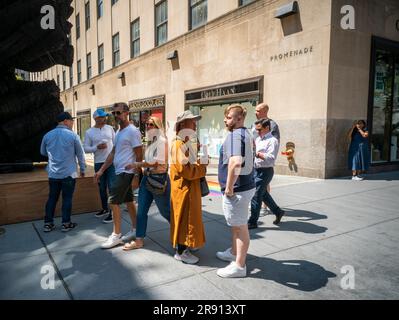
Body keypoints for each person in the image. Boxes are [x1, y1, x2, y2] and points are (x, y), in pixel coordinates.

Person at [94, 103, 143, 249]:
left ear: (127, 113)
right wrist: (101, 170)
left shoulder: (132, 131)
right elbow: (113, 153)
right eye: (114, 113)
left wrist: (136, 173)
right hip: (119, 170)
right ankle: (135, 229)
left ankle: (116, 234)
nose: (116, 116)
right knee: (128, 200)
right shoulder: (119, 131)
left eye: (119, 113)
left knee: (113, 201)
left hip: (126, 172)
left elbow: (139, 153)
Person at [216, 104, 256, 278]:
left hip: (238, 189)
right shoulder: (245, 132)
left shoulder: (235, 135)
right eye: (226, 116)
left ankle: (239, 266)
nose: (225, 119)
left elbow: (236, 162)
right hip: (244, 186)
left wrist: (230, 188)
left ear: (240, 119)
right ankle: (234, 252)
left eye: (229, 117)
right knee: (236, 225)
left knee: (240, 228)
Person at [123, 116, 170, 250]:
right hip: (147, 179)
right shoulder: (150, 141)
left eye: (151, 124)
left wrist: (136, 164)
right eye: (147, 125)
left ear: (157, 126)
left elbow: (156, 162)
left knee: (166, 212)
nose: (148, 127)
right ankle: (139, 241)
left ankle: (182, 236)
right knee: (141, 211)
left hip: (158, 180)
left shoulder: (162, 141)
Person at [170, 110, 208, 264]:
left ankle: (186, 245)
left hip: (188, 189)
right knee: (184, 220)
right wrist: (203, 165)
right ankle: (181, 251)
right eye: (192, 121)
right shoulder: (179, 144)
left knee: (188, 219)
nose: (195, 124)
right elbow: (186, 170)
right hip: (184, 190)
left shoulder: (185, 143)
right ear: (182, 124)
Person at [40, 111, 86, 232]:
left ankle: (48, 223)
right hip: (69, 173)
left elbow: (42, 152)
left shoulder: (47, 135)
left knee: (52, 198)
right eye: (71, 120)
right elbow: (80, 154)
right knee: (67, 198)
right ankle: (66, 223)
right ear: (65, 121)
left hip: (53, 173)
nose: (72, 123)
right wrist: (82, 168)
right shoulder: (73, 135)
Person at [248, 119, 285, 229]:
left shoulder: (272, 141)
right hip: (256, 170)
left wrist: (258, 154)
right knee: (263, 194)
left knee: (256, 195)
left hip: (265, 171)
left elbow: (271, 158)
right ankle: (278, 212)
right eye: (256, 130)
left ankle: (253, 221)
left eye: (259, 129)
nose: (257, 132)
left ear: (267, 128)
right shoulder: (258, 139)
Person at [84, 109, 115, 223]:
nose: (104, 118)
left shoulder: (110, 128)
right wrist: (96, 147)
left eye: (105, 117)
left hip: (111, 162)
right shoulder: (89, 132)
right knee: (102, 188)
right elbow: (85, 148)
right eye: (102, 117)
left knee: (112, 187)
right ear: (96, 118)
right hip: (98, 162)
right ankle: (105, 209)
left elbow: (116, 143)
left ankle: (112, 212)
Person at [252, 103, 280, 216]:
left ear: (265, 111)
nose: (255, 112)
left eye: (258, 110)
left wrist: (262, 156)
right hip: (255, 161)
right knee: (259, 190)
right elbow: (253, 138)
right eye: (255, 110)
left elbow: (274, 143)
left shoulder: (272, 125)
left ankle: (262, 209)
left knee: (260, 190)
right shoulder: (254, 124)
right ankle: (278, 212)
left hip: (265, 162)